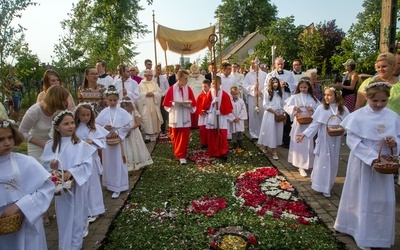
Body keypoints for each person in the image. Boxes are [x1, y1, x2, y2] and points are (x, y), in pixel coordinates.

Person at [334, 81, 400, 250]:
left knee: (382, 200)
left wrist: (394, 144)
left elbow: (398, 138)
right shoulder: (358, 116)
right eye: (375, 101)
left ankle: (379, 235)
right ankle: (359, 232)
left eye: (383, 101)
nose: (379, 104)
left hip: (384, 162)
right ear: (367, 98)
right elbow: (352, 140)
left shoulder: (393, 116)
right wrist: (372, 158)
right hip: (363, 162)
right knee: (361, 197)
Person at [41, 110, 96, 250]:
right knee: (64, 217)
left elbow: (87, 164)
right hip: (62, 189)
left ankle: (76, 245)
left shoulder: (80, 144)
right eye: (66, 124)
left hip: (77, 186)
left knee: (78, 215)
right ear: (56, 127)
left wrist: (71, 172)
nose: (71, 126)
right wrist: (53, 166)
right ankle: (65, 244)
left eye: (72, 123)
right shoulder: (51, 145)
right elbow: (46, 165)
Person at [19, 85, 69, 226]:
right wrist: (41, 144)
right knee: (39, 179)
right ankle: (43, 213)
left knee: (53, 177)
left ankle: (56, 207)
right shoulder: (35, 111)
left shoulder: (60, 110)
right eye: (63, 100)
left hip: (53, 146)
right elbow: (21, 132)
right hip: (37, 146)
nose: (66, 103)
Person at [0, 119, 54, 250]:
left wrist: (20, 206)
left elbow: (47, 188)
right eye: (0, 139)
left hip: (24, 221)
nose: (7, 143)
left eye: (10, 137)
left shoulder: (25, 162)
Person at [297, 84, 349, 197]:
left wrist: (343, 130)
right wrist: (304, 134)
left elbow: (348, 124)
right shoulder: (322, 108)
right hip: (324, 139)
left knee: (333, 163)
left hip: (336, 139)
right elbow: (314, 125)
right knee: (323, 162)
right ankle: (320, 185)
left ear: (336, 95)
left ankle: (328, 184)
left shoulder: (343, 109)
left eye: (329, 95)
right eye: (325, 95)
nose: (326, 97)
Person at [95, 85, 132, 198]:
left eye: (114, 100)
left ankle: (119, 186)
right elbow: (97, 126)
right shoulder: (104, 112)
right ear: (106, 100)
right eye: (110, 100)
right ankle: (110, 184)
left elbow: (127, 126)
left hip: (118, 142)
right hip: (108, 142)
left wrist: (118, 132)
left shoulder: (122, 112)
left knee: (118, 163)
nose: (112, 102)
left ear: (118, 99)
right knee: (108, 162)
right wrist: (106, 130)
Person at [74, 103, 108, 223]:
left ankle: (95, 210)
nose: (86, 117)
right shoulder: (74, 128)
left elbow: (102, 141)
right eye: (83, 115)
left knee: (93, 185)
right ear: (78, 115)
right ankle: (85, 210)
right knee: (83, 185)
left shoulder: (94, 128)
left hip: (91, 159)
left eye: (88, 115)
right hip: (79, 160)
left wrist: (91, 140)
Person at [284, 77, 320, 177]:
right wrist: (294, 108)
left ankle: (306, 163)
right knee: (298, 143)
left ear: (308, 87)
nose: (303, 89)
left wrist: (312, 109)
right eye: (301, 87)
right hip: (298, 123)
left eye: (305, 87)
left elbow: (319, 109)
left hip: (308, 123)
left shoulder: (312, 98)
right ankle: (300, 164)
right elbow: (286, 107)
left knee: (307, 144)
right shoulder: (295, 97)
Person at [162, 69, 197, 165]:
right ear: (179, 78)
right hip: (175, 115)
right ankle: (177, 152)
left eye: (187, 78)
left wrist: (188, 105)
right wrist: (173, 104)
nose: (186, 81)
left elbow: (193, 104)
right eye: (185, 78)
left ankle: (181, 155)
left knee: (184, 136)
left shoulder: (188, 89)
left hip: (185, 115)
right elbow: (165, 105)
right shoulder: (171, 89)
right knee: (175, 136)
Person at [266, 57, 297, 147]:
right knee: (277, 119)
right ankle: (276, 139)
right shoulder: (270, 75)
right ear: (275, 65)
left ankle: (286, 140)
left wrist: (287, 85)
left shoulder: (289, 74)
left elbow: (294, 84)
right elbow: (266, 86)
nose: (280, 66)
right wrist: (277, 85)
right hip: (275, 100)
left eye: (282, 64)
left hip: (286, 98)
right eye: (278, 64)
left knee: (286, 119)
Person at [202, 76, 233, 159]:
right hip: (212, 116)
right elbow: (205, 106)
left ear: (220, 84)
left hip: (221, 117)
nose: (214, 85)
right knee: (213, 135)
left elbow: (228, 107)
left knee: (222, 134)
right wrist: (212, 103)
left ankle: (223, 152)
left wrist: (221, 111)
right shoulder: (209, 93)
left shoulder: (224, 94)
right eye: (213, 83)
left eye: (216, 84)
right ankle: (214, 151)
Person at [120, 96, 153, 171]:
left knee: (135, 145)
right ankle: (129, 163)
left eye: (126, 106)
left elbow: (138, 123)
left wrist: (130, 129)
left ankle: (138, 162)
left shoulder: (134, 112)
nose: (125, 108)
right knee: (127, 148)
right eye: (123, 106)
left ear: (130, 105)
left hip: (134, 133)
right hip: (125, 133)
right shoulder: (121, 114)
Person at [258, 77, 285, 159]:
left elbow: (282, 104)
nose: (275, 84)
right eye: (273, 83)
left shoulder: (280, 93)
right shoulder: (267, 92)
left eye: (276, 82)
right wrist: (274, 112)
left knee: (276, 132)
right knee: (270, 131)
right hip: (270, 114)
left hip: (278, 114)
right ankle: (273, 150)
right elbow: (265, 105)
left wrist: (283, 114)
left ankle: (267, 146)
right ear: (270, 84)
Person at [243, 58, 267, 141]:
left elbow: (267, 86)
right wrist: (253, 88)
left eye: (256, 63)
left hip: (261, 97)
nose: (254, 65)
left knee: (261, 114)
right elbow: (244, 86)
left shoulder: (264, 74)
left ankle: (262, 133)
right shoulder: (248, 75)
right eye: (252, 63)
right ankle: (253, 134)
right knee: (253, 115)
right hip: (252, 98)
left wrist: (261, 91)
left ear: (259, 63)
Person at [137, 69, 163, 142]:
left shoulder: (154, 83)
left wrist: (154, 94)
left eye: (151, 75)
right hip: (145, 105)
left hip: (154, 104)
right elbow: (138, 95)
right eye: (149, 75)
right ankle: (147, 136)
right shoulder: (141, 84)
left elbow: (159, 93)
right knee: (146, 119)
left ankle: (155, 134)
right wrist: (145, 94)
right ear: (145, 76)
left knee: (154, 118)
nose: (150, 77)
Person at [153, 64, 170, 135]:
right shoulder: (152, 78)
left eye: (159, 69)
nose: (158, 71)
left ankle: (163, 129)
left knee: (163, 113)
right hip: (155, 97)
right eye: (157, 69)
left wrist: (163, 94)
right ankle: (156, 128)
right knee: (156, 112)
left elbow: (168, 87)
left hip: (163, 97)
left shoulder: (164, 78)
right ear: (155, 70)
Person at [188, 63, 206, 128]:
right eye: (193, 72)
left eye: (196, 72)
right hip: (191, 96)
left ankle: (198, 123)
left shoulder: (202, 77)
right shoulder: (189, 77)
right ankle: (192, 124)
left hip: (199, 95)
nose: (195, 73)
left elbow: (204, 85)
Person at [196, 79, 211, 149]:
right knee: (202, 129)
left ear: (209, 87)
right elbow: (197, 105)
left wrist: (208, 110)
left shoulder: (211, 95)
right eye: (202, 87)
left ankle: (209, 143)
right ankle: (203, 143)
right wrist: (201, 110)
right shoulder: (200, 96)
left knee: (209, 130)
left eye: (205, 86)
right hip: (202, 115)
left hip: (209, 115)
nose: (203, 88)